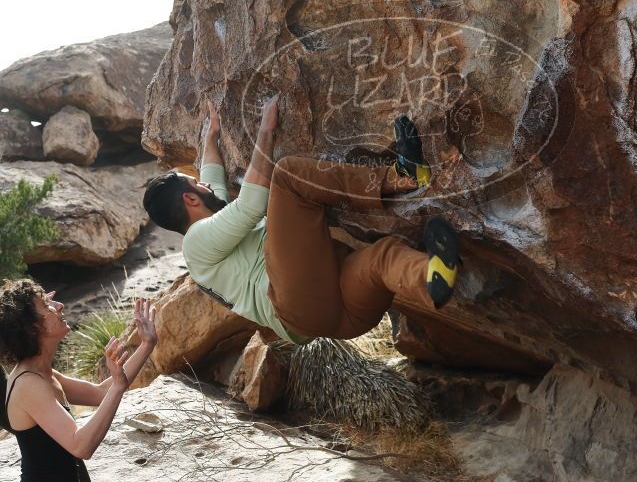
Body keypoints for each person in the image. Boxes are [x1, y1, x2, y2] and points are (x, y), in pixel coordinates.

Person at [142, 96, 460, 342]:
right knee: (288, 176)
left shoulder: (211, 225)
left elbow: (213, 175)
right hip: (295, 303)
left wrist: (210, 138)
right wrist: (266, 129)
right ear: (191, 199)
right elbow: (252, 204)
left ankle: (433, 274)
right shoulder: (197, 243)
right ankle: (402, 177)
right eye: (197, 184)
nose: (205, 181)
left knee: (382, 257)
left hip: (338, 319)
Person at [0, 280, 158, 482]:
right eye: (47, 305)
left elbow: (100, 393)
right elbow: (81, 446)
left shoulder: (41, 373)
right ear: (32, 328)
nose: (59, 306)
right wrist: (118, 386)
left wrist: (147, 344)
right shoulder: (28, 384)